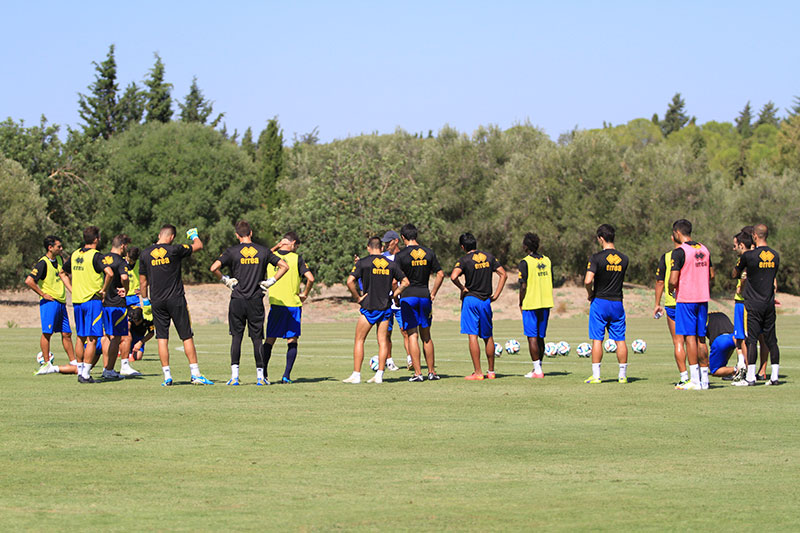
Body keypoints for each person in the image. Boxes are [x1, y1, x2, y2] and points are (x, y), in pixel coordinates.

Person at [210, 221, 288, 386]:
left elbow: (213, 268)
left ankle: (234, 377)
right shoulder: (263, 251)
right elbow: (284, 266)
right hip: (255, 301)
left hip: (237, 300)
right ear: (251, 233)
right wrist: (271, 281)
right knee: (257, 339)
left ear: (237, 235)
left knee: (236, 338)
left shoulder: (232, 251)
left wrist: (225, 280)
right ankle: (260, 377)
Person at [139, 225, 213, 386]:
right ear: (171, 237)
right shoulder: (175, 250)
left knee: (162, 338)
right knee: (186, 335)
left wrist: (145, 300)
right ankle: (195, 374)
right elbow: (199, 246)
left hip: (157, 301)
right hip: (176, 299)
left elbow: (143, 281)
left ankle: (167, 376)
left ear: (159, 235)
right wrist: (194, 235)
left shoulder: (145, 254)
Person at [343, 236, 409, 384]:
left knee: (359, 340)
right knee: (383, 341)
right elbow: (405, 282)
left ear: (368, 247)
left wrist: (358, 298)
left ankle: (356, 375)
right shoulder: (391, 264)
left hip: (369, 307)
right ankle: (379, 375)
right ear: (382, 248)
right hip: (385, 307)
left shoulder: (363, 262)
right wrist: (395, 294)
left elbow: (349, 281)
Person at [450, 232, 507, 380]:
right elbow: (503, 274)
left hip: (471, 300)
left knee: (473, 336)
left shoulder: (464, 260)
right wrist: (496, 294)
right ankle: (491, 372)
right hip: (485, 301)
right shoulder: (489, 257)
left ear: (462, 247)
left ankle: (478, 372)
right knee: (488, 336)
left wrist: (462, 288)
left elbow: (453, 276)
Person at [62, 226, 114, 383]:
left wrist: (72, 289)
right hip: (92, 300)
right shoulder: (96, 256)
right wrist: (104, 290)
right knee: (92, 338)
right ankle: (85, 374)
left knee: (81, 336)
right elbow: (110, 273)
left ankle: (80, 369)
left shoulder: (75, 254)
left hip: (77, 301)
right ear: (96, 239)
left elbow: (62, 273)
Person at [395, 223, 444, 381]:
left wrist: (396, 295)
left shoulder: (401, 256)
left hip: (408, 297)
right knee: (427, 336)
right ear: (416, 235)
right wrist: (433, 292)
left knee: (412, 335)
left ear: (403, 237)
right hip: (424, 295)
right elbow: (441, 274)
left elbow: (396, 279)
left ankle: (418, 374)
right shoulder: (429, 252)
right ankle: (432, 372)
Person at [732, 223, 780, 386]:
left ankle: (751, 376)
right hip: (768, 303)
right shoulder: (775, 255)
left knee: (751, 339)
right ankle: (774, 376)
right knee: (771, 339)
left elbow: (735, 273)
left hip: (753, 303)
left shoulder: (749, 256)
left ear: (755, 236)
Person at [669, 219, 714, 390]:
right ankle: (705, 380)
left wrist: (671, 288)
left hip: (686, 299)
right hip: (702, 298)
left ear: (677, 233)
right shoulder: (704, 249)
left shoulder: (680, 252)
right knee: (701, 338)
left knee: (690, 339)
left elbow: (673, 279)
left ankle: (694, 380)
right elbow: (711, 274)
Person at [264, 231, 312, 384]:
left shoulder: (270, 257)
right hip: (292, 305)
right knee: (292, 340)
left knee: (270, 340)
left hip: (276, 304)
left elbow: (263, 254)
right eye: (296, 245)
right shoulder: (296, 258)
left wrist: (276, 246)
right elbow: (310, 278)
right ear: (293, 244)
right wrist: (305, 293)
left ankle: (263, 374)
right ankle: (286, 375)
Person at [583, 224, 629, 384]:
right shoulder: (624, 259)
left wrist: (590, 293)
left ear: (600, 238)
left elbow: (588, 280)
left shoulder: (596, 258)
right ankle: (622, 376)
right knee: (620, 339)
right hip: (617, 302)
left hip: (600, 302)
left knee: (597, 339)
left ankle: (596, 376)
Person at [27, 235, 78, 376]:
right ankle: (46, 363)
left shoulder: (60, 260)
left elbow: (64, 275)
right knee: (47, 333)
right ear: (50, 248)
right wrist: (43, 294)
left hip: (61, 302)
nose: (61, 249)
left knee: (67, 333)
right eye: (58, 246)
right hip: (49, 303)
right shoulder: (42, 263)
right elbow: (29, 280)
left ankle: (73, 362)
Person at [517, 232, 553, 379]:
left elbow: (523, 285)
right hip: (545, 303)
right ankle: (538, 368)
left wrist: (520, 301)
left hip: (531, 303)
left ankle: (537, 371)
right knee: (540, 337)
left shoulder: (525, 262)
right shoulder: (548, 260)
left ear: (525, 246)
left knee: (532, 337)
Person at [654, 233, 688, 385]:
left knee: (678, 342)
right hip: (692, 300)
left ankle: (684, 377)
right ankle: (700, 375)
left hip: (673, 302)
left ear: (673, 237)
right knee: (695, 340)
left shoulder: (667, 256)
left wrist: (657, 303)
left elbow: (660, 282)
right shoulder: (696, 252)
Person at [98, 234, 131, 379]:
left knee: (106, 336)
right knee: (116, 337)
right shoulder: (121, 261)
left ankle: (106, 367)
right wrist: (127, 289)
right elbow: (124, 277)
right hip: (117, 304)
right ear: (123, 245)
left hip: (103, 302)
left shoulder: (102, 258)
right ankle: (109, 370)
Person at [380, 230, 408, 372]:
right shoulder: (382, 258)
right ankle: (389, 361)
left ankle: (410, 359)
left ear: (396, 241)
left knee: (405, 330)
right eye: (384, 243)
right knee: (386, 333)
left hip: (400, 300)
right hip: (386, 300)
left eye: (388, 242)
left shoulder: (403, 256)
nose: (386, 246)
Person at [705, 312, 740, 379]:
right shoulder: (721, 314)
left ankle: (737, 370)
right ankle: (730, 371)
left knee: (715, 371)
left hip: (720, 340)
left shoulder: (704, 319)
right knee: (728, 349)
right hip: (733, 338)